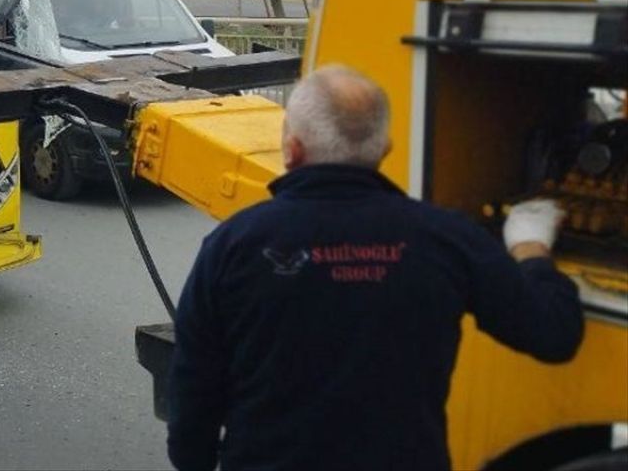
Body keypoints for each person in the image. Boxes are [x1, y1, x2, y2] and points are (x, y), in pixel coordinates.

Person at [167, 65, 584, 471]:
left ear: (291, 149)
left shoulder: (234, 245)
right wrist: (530, 247)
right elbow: (554, 334)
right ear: (384, 149)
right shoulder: (446, 239)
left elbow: (194, 393)